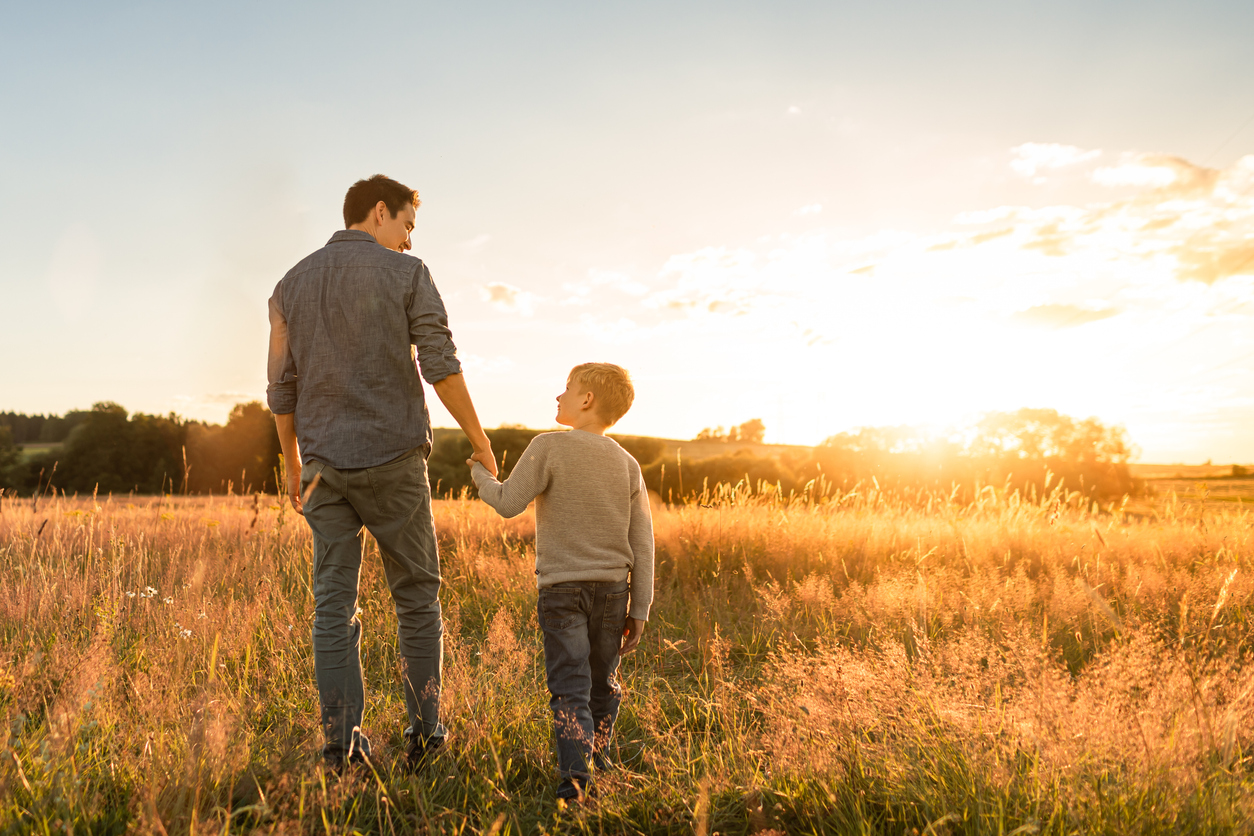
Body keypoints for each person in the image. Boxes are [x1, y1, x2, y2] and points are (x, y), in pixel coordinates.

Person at [266, 174, 497, 774]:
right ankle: (426, 736)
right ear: (377, 211)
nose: (409, 243)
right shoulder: (408, 276)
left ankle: (340, 748)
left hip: (321, 467)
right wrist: (480, 440)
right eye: (406, 226)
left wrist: (293, 464)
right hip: (395, 461)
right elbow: (441, 367)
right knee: (417, 599)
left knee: (332, 605)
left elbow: (280, 390)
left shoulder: (288, 286)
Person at [468, 363, 654, 802]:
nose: (558, 396)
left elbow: (509, 503)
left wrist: (480, 473)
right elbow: (642, 542)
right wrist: (640, 608)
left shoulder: (547, 447)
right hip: (614, 592)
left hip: (561, 591)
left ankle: (575, 783)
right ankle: (601, 760)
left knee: (569, 687)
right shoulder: (628, 464)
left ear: (586, 400)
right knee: (603, 680)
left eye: (567, 389)